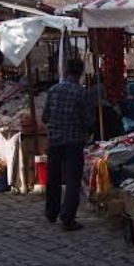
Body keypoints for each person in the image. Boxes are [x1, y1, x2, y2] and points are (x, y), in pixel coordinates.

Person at [42, 59, 92, 231]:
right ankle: (67, 217)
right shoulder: (81, 93)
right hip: (73, 141)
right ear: (80, 73)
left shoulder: (53, 90)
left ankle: (51, 211)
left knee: (53, 177)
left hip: (54, 140)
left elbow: (45, 117)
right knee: (72, 180)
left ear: (65, 70)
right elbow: (88, 119)